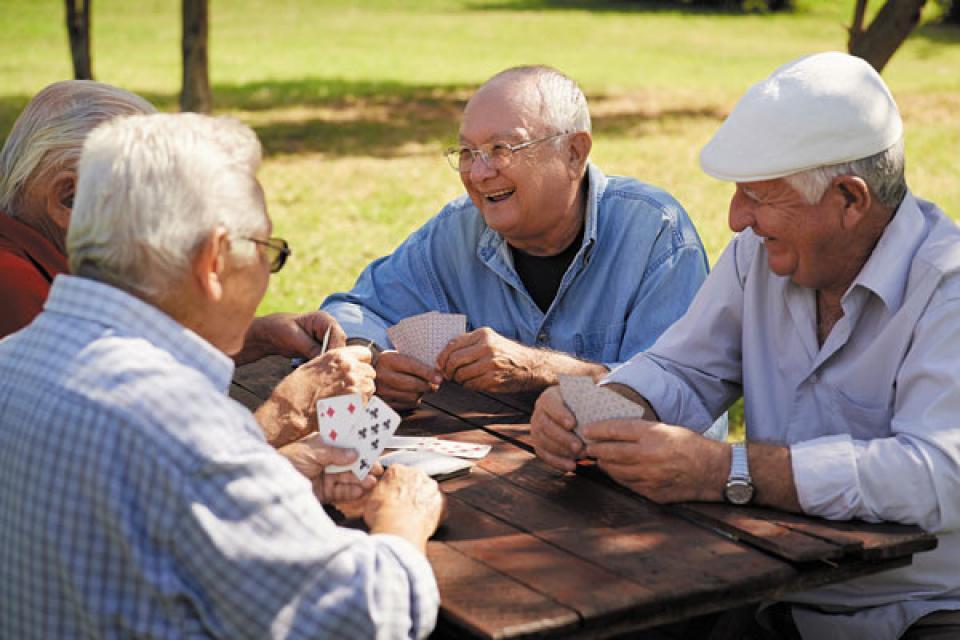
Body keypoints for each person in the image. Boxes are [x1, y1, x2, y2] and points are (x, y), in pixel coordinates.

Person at [531, 52, 960, 639]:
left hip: (923, 606)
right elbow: (683, 368)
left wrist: (727, 470)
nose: (736, 219)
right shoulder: (759, 255)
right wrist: (604, 403)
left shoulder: (948, 288)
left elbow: (936, 474)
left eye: (760, 197)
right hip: (773, 585)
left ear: (849, 200)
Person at [0, 113, 444, 638]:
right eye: (265, 251)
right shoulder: (184, 423)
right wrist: (403, 517)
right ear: (213, 260)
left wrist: (272, 475)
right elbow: (367, 615)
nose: (263, 275)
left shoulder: (13, 358)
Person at [321, 65, 713, 413]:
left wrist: (541, 370)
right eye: (467, 152)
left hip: (617, 486)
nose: (478, 174)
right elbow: (350, 311)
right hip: (491, 483)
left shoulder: (656, 235)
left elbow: (677, 401)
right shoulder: (457, 230)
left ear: (574, 153)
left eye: (501, 149)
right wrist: (373, 359)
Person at [0, 80, 345, 362]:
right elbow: (130, 413)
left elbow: (141, 351)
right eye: (150, 191)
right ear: (67, 200)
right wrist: (286, 413)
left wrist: (257, 336)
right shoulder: (15, 286)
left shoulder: (51, 264)